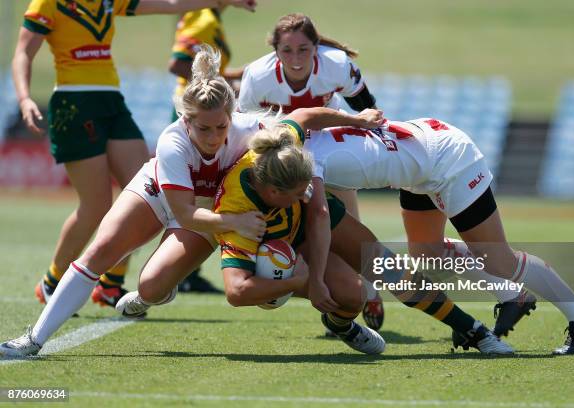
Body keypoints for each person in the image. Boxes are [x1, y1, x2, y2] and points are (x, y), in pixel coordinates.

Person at [0, 46, 386, 358]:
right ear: (186, 121)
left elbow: (303, 115)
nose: (214, 136)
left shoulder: (246, 130)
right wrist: (235, 224)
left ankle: (342, 320)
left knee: (345, 291)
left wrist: (358, 121)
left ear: (231, 115)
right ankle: (33, 339)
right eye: (203, 128)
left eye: (221, 126)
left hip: (217, 210)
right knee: (104, 255)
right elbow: (184, 213)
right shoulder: (172, 143)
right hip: (173, 199)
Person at [119, 118, 514, 355]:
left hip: (300, 236)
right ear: (271, 192)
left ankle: (472, 330)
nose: (307, 195)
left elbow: (307, 118)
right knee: (155, 285)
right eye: (297, 194)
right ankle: (148, 294)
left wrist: (355, 119)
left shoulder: (287, 154)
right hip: (255, 243)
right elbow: (237, 292)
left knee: (370, 282)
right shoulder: (239, 210)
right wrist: (299, 280)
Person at [13, 0, 256, 308]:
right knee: (96, 204)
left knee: (142, 190)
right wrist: (24, 98)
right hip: (73, 103)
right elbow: (23, 51)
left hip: (111, 101)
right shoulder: (49, 4)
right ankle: (52, 281)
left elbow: (169, 4)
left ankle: (111, 283)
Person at [293, 117, 574, 355]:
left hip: (448, 159)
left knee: (499, 259)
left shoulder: (304, 160)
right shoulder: (297, 127)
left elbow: (321, 215)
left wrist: (316, 276)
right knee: (428, 255)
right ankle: (513, 295)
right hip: (420, 163)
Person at [237, 12, 384, 332]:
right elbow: (244, 127)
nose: (296, 58)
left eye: (303, 49)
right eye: (287, 51)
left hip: (328, 144)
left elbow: (364, 105)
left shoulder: (336, 63)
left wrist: (371, 126)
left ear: (316, 47)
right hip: (282, 154)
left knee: (347, 224)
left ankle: (368, 289)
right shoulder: (257, 76)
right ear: (274, 50)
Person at [168, 6, 245, 293]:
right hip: (195, 117)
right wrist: (211, 94)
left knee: (204, 194)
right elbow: (177, 63)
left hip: (204, 118)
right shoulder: (202, 17)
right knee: (186, 198)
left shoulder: (213, 19)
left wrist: (234, 77)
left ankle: (188, 269)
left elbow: (215, 72)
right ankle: (179, 268)